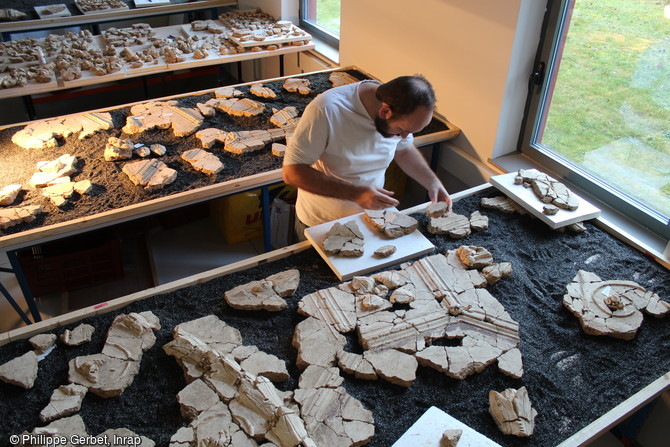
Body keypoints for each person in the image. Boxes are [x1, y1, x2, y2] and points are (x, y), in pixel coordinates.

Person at [282, 74, 452, 240]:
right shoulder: (326, 110)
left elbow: (404, 150)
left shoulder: (399, 109)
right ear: (385, 111)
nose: (404, 136)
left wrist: (432, 182)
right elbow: (292, 172)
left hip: (371, 218)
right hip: (321, 224)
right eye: (402, 130)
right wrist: (355, 193)